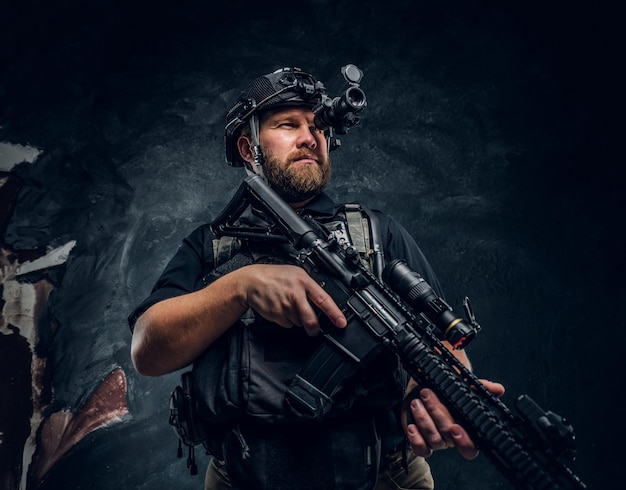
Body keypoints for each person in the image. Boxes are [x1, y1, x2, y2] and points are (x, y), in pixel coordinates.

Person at [129, 66, 504, 490]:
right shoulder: (211, 246)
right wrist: (241, 287)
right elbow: (147, 350)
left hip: (385, 476)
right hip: (245, 477)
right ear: (248, 146)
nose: (310, 137)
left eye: (317, 126)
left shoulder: (377, 235)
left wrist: (432, 392)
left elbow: (444, 343)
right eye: (288, 124)